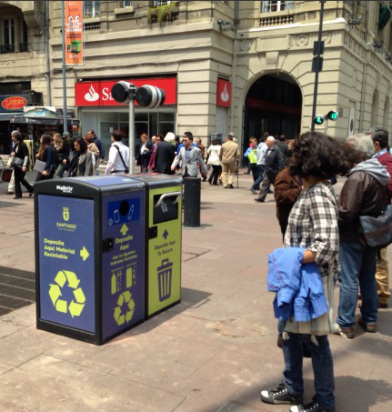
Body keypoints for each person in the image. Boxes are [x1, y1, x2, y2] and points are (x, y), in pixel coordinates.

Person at [260, 131, 354, 412]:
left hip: (311, 279)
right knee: (289, 332)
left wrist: (290, 258)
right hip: (299, 278)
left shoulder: (319, 194)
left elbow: (326, 246)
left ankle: (324, 402)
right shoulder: (311, 190)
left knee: (315, 341)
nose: (293, 159)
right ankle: (292, 388)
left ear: (310, 159)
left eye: (297, 154)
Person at [336, 133, 390, 339]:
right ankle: (370, 318)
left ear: (357, 153)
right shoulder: (378, 172)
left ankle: (346, 322)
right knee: (367, 277)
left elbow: (347, 211)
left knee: (349, 279)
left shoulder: (358, 176)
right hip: (371, 232)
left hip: (354, 234)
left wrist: (336, 213)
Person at [369, 127, 392, 309]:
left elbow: (390, 186)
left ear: (377, 144)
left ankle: (382, 294)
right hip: (373, 214)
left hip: (380, 214)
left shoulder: (386, 160)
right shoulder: (376, 158)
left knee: (380, 255)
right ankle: (373, 289)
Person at [274, 139, 302, 237]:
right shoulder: (284, 175)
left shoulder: (307, 173)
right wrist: (301, 190)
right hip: (289, 219)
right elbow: (280, 196)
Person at [255, 136, 284, 202]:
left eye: (267, 141)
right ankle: (261, 198)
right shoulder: (267, 149)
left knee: (277, 185)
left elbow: (281, 160)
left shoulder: (276, 149)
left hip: (274, 171)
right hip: (267, 170)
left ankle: (281, 197)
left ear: (271, 142)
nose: (266, 142)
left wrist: (279, 170)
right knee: (265, 184)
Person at [10, 131, 33, 199]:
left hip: (21, 164)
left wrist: (24, 165)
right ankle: (18, 195)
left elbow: (26, 156)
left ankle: (30, 188)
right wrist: (13, 153)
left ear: (17, 137)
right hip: (16, 164)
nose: (12, 138)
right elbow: (15, 152)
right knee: (17, 179)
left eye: (13, 137)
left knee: (20, 179)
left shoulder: (23, 145)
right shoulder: (17, 144)